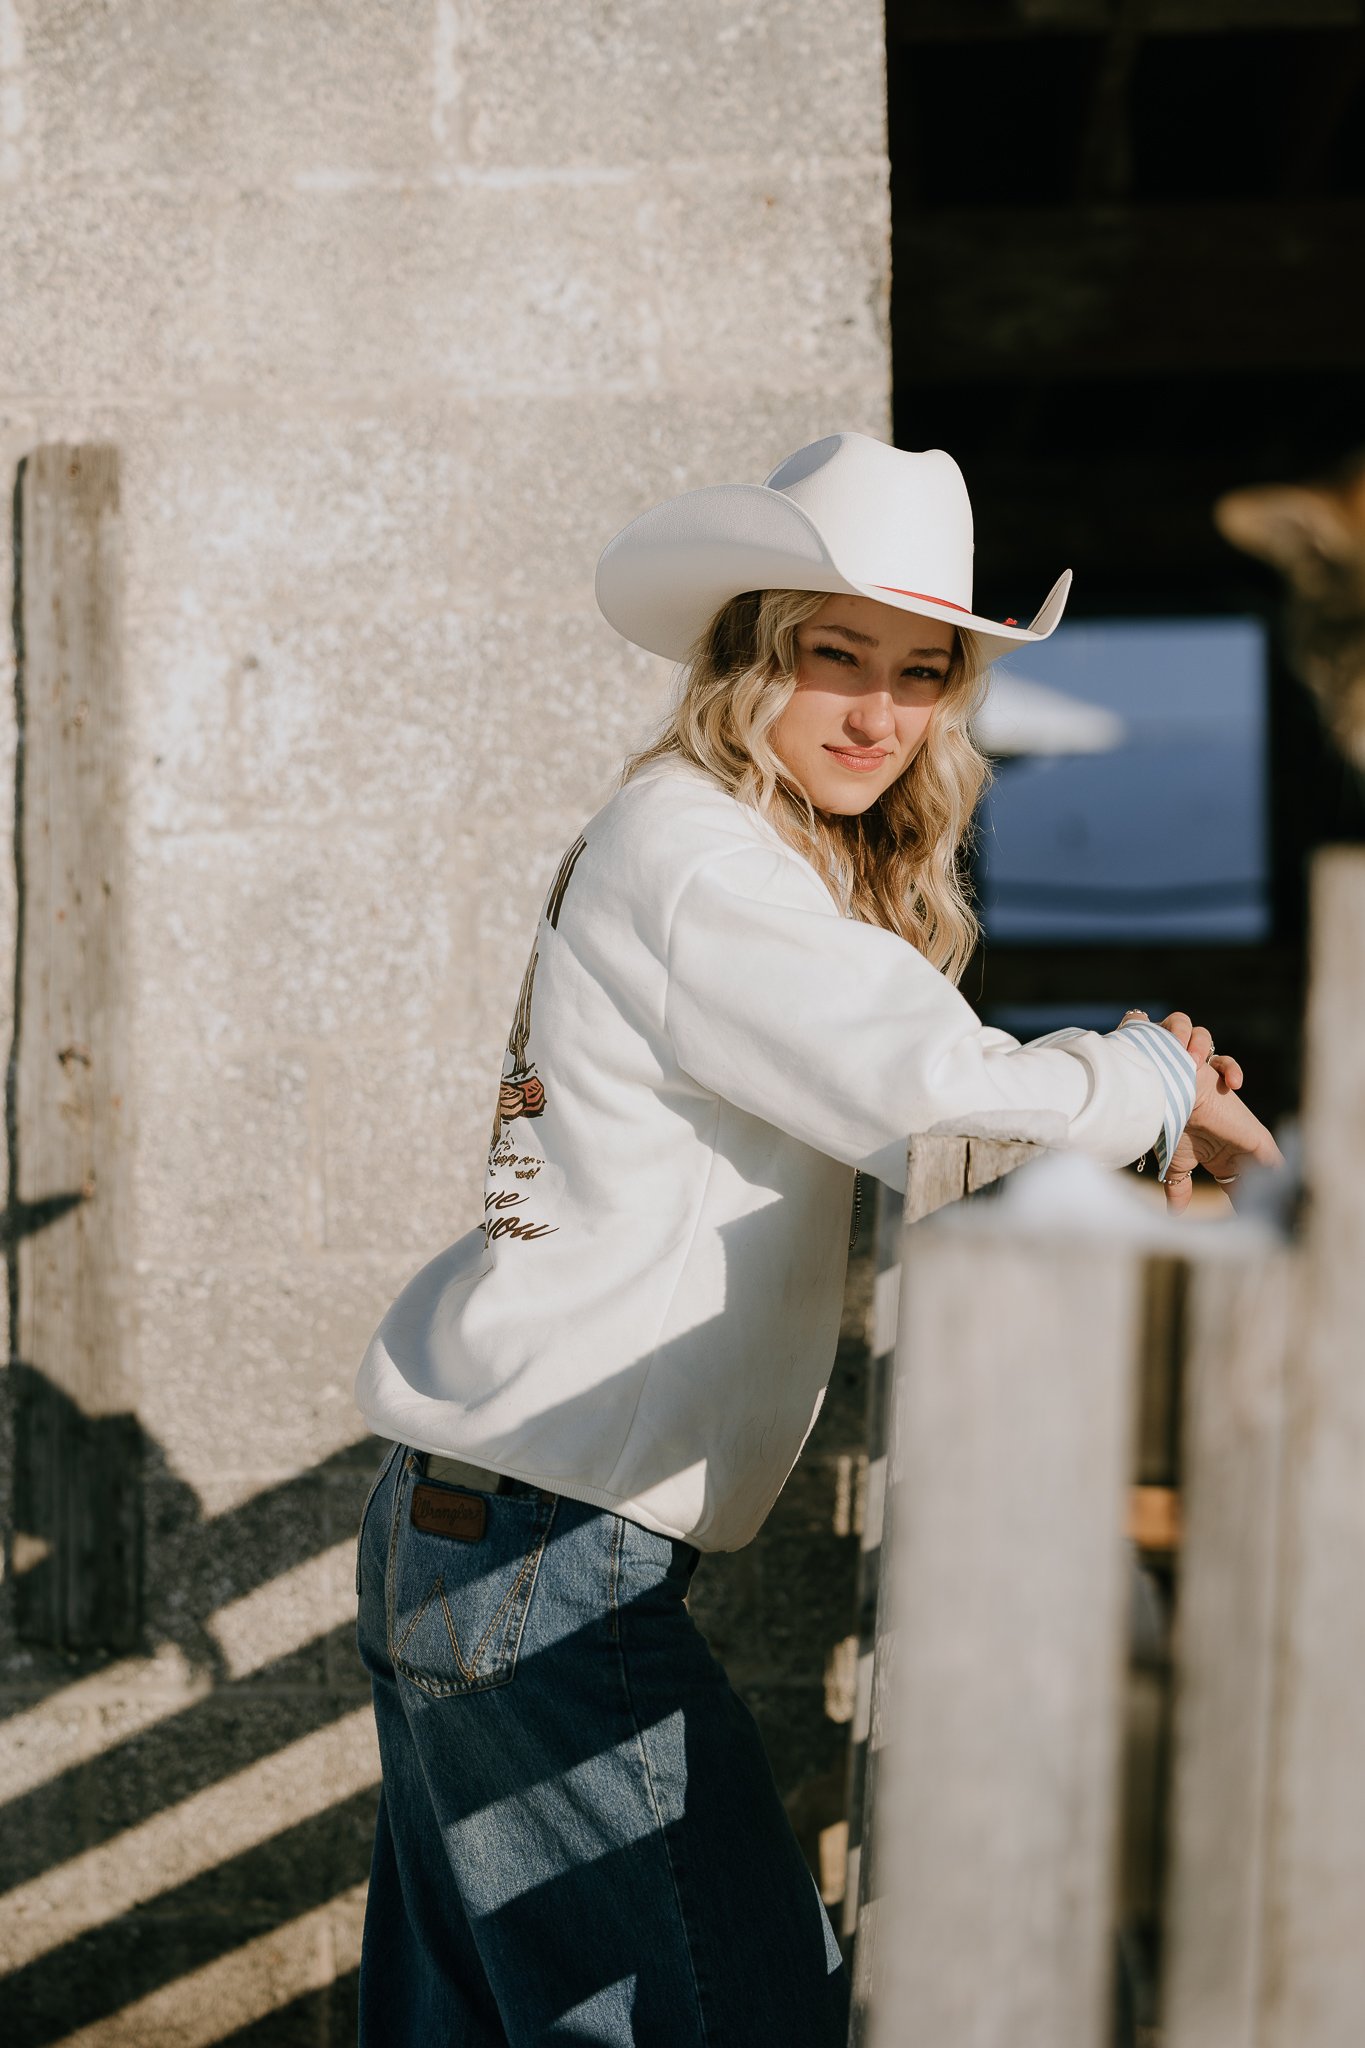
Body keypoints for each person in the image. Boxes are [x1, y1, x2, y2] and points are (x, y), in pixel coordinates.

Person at [351, 433, 1282, 2046]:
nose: (875, 712)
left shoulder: (748, 866)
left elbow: (899, 1104)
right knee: (727, 2015)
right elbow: (915, 1077)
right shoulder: (695, 853)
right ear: (742, 659)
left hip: (505, 1533)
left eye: (919, 674)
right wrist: (1142, 1078)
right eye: (829, 656)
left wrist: (1115, 1123)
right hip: (539, 1551)